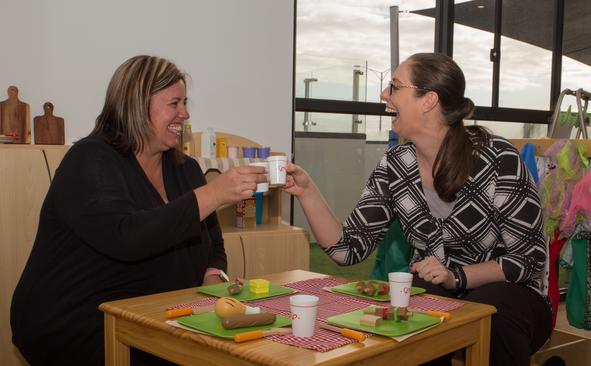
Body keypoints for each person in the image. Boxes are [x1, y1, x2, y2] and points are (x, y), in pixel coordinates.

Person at [285, 53, 552, 366]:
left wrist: (458, 277)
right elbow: (348, 250)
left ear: (429, 100)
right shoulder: (395, 167)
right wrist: (307, 192)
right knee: (413, 307)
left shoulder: (498, 160)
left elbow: (529, 259)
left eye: (394, 87)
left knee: (490, 309)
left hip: (514, 298)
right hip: (441, 293)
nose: (384, 95)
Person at [10, 55, 266, 365]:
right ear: (136, 104)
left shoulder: (186, 170)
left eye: (185, 103)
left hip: (151, 314)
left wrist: (213, 278)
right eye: (174, 103)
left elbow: (212, 242)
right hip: (74, 322)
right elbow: (127, 237)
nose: (184, 113)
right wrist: (213, 193)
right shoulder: (90, 160)